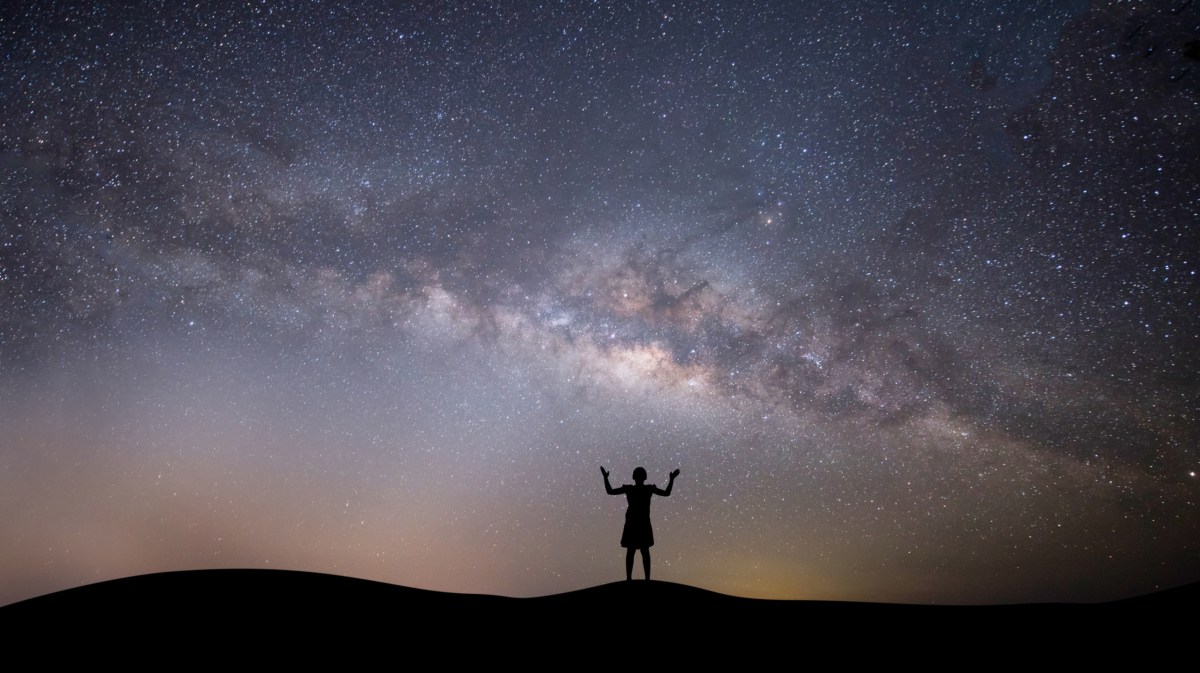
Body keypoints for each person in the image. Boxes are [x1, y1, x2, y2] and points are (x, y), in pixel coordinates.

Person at [601, 465, 680, 581]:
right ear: (644, 477)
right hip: (639, 523)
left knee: (634, 551)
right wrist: (672, 479)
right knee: (642, 551)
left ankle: (631, 578)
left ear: (634, 477)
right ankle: (644, 579)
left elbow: (610, 491)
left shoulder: (633, 489)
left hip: (635, 523)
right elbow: (666, 493)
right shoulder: (646, 489)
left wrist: (605, 478)